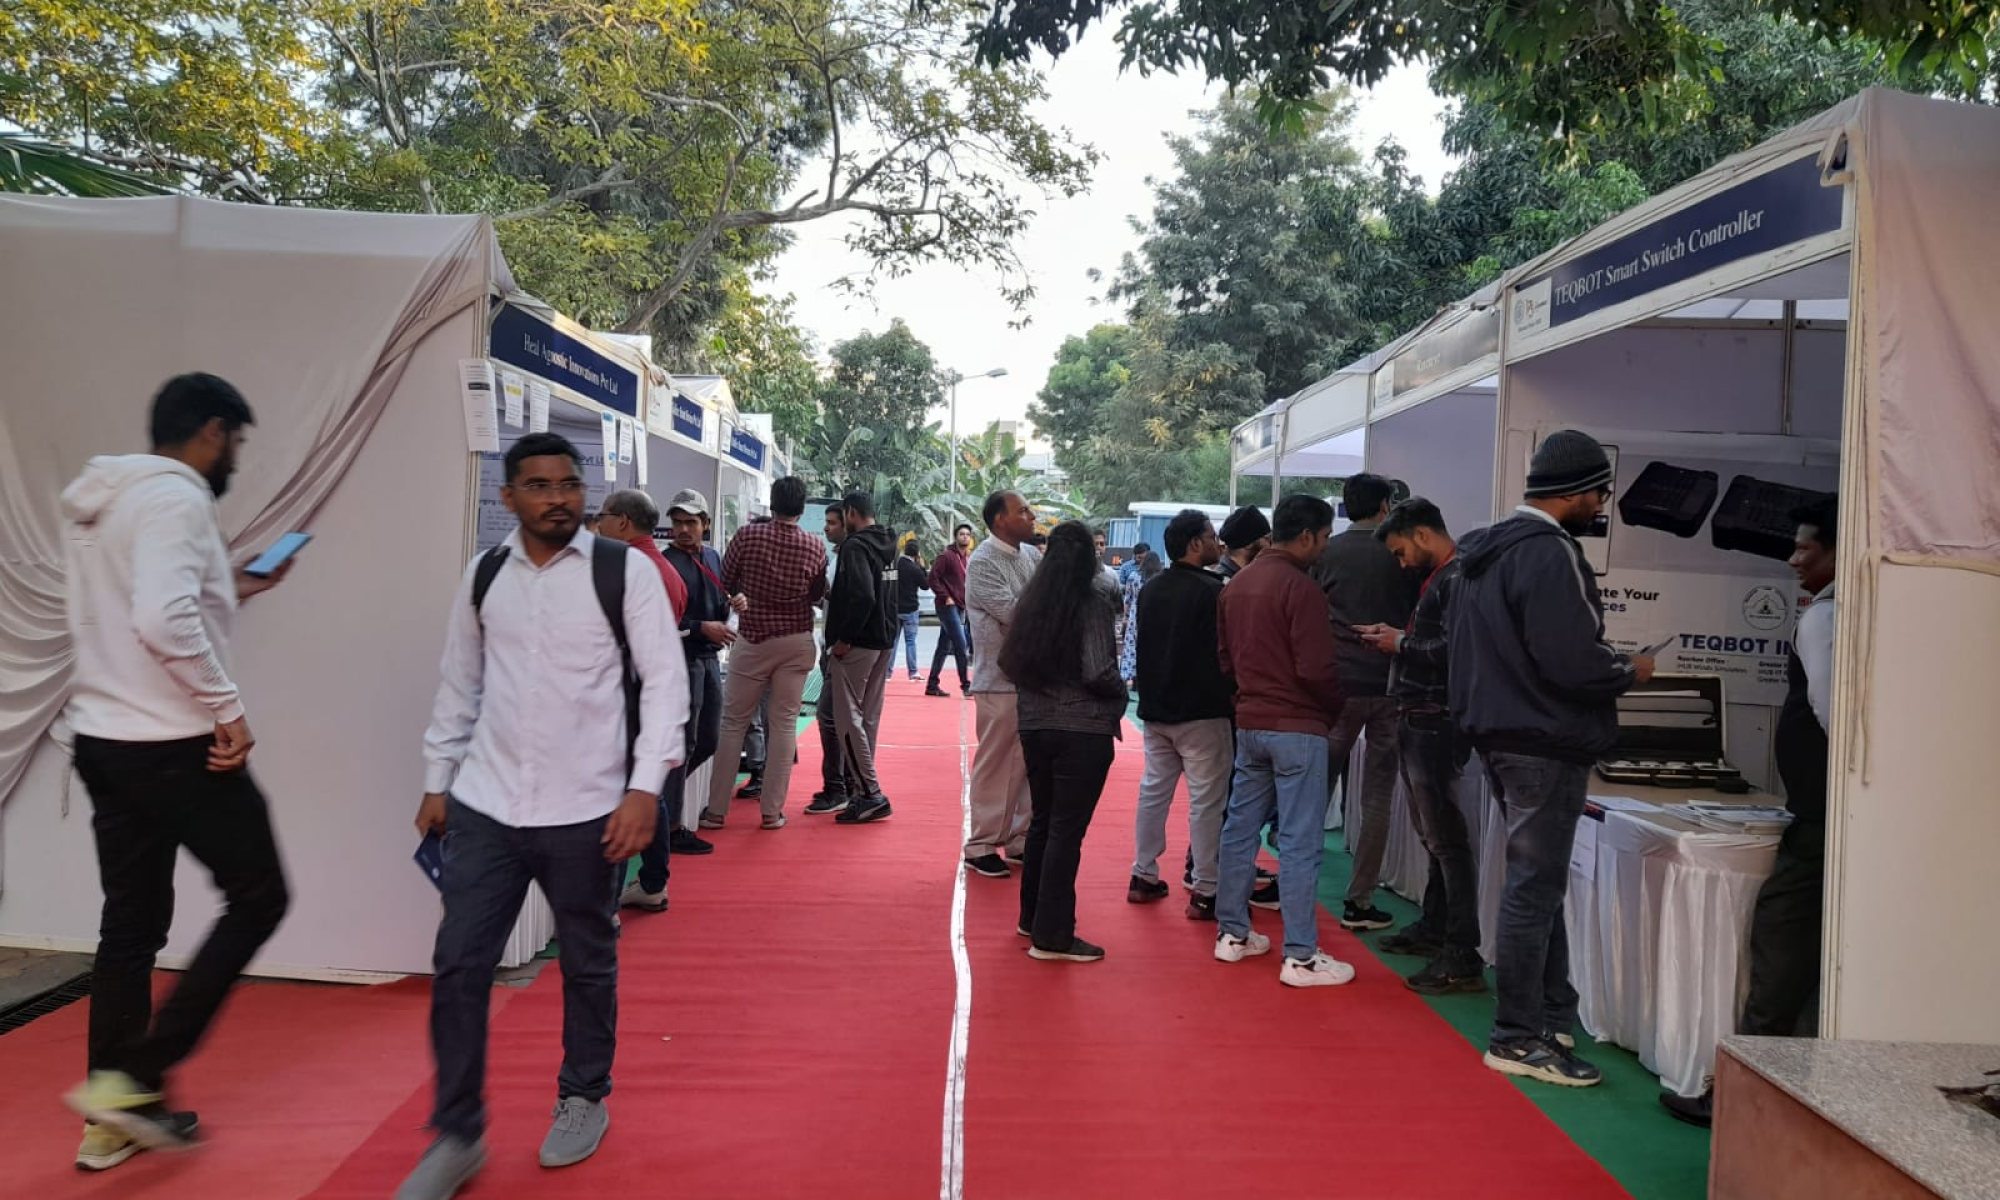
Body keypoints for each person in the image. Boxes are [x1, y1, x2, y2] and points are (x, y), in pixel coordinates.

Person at [401, 431, 687, 1199]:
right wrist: (437, 780)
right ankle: (457, 1133)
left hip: (588, 810)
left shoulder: (622, 572)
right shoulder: (484, 575)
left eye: (569, 484)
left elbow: (665, 683)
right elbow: (459, 684)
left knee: (587, 961)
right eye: (539, 486)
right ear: (509, 498)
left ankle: (584, 1096)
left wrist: (643, 790)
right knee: (460, 964)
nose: (558, 498)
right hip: (486, 806)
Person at [60, 373, 292, 1165]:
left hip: (104, 739)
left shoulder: (107, 501)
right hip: (173, 743)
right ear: (213, 431)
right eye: (237, 442)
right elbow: (161, 618)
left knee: (129, 928)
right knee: (260, 896)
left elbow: (143, 607)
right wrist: (228, 707)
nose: (236, 460)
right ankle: (133, 1078)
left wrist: (235, 586)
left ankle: (110, 1122)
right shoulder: (178, 498)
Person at [1448, 429, 1653, 1088]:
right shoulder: (1549, 552)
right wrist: (1628, 670)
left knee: (1537, 888)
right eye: (1600, 495)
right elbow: (1571, 661)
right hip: (1544, 740)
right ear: (1579, 491)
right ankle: (1516, 1036)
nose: (1601, 507)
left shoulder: (1483, 551)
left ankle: (1548, 1018)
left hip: (1501, 737)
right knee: (1533, 892)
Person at [1660, 495, 1839, 1127]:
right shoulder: (1840, 612)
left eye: (1805, 548)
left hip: (1823, 823)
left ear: (1839, 551)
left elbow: (1833, 716)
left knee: (1781, 951)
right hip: (1827, 818)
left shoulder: (1825, 619)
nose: (1793, 560)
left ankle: (1744, 1104)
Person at [1212, 494, 1354, 988]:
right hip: (1297, 726)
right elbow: (1316, 668)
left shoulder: (1237, 585)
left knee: (1239, 830)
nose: (1326, 546)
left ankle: (1232, 933)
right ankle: (1301, 955)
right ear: (1308, 535)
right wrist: (1332, 709)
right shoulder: (1302, 588)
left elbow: (1225, 660)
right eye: (1326, 537)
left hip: (1251, 721)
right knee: (1299, 841)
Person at [1354, 498, 1483, 994]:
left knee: (1446, 839)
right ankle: (1437, 928)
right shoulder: (1444, 578)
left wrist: (1401, 644)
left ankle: (1461, 953)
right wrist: (1398, 637)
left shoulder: (1457, 579)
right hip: (1422, 715)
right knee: (1436, 836)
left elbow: (1459, 651)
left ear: (1423, 535)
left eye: (1401, 551)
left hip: (1435, 718)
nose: (1402, 563)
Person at [1003, 521, 1128, 962]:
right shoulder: (1092, 604)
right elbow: (1098, 670)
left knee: (1043, 822)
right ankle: (1053, 935)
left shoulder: (1029, 603)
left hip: (1036, 724)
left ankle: (1032, 916)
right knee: (1065, 831)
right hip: (1082, 730)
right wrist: (1122, 691)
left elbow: (1009, 662)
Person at [1313, 473, 1422, 933]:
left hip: (1339, 687)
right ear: (1384, 506)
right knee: (1377, 794)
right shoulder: (1402, 553)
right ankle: (1359, 901)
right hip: (1392, 686)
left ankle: (1294, 884)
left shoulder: (1327, 552)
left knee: (1315, 790)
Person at [697, 477, 826, 830]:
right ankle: (771, 812)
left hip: (753, 639)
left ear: (772, 503)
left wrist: (747, 593)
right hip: (796, 641)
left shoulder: (747, 536)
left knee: (733, 722)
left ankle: (715, 811)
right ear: (802, 508)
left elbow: (726, 581)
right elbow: (817, 595)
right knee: (783, 724)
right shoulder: (814, 546)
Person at [622, 490, 727, 905]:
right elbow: (669, 620)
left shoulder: (712, 558)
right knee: (679, 746)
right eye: (678, 521)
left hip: (708, 659)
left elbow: (716, 603)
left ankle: (663, 809)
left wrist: (730, 606)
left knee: (707, 740)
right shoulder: (662, 563)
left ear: (705, 524)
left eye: (691, 522)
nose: (683, 529)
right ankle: (670, 826)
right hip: (682, 658)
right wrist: (701, 627)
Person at [1129, 510, 1233, 920]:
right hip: (1204, 710)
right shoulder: (1215, 592)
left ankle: (1143, 873)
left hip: (1157, 709)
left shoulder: (1151, 589)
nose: (1217, 542)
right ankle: (1206, 888)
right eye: (1211, 535)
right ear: (1195, 543)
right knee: (1206, 802)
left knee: (1154, 792)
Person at [963, 491, 1042, 878]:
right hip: (998, 679)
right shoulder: (982, 562)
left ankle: (1019, 838)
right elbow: (1016, 614)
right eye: (1022, 511)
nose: (1031, 516)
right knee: (996, 763)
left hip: (1032, 678)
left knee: (1027, 764)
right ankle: (981, 843)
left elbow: (1041, 606)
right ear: (999, 520)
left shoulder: (1031, 556)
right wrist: (1045, 613)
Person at [823, 491, 898, 825]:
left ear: (851, 513)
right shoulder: (888, 543)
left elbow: (864, 595)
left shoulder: (855, 547)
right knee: (867, 718)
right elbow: (884, 595)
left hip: (859, 643)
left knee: (848, 719)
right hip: (884, 639)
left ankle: (869, 792)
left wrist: (844, 638)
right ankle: (863, 789)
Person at [805, 505, 851, 814]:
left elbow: (856, 600)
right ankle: (844, 784)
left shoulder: (851, 557)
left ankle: (838, 787)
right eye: (826, 522)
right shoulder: (838, 557)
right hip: (833, 645)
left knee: (830, 717)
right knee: (835, 718)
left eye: (832, 523)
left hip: (841, 649)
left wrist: (843, 641)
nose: (826, 528)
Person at [925, 523, 974, 696]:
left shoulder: (967, 559)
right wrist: (945, 596)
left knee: (943, 647)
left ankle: (932, 685)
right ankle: (966, 685)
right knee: (961, 644)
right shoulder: (946, 556)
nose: (965, 536)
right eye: (962, 534)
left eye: (967, 534)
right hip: (947, 606)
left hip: (960, 606)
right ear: (956, 536)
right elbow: (932, 578)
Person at [1118, 551, 1163, 685]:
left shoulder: (1133, 576)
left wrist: (1125, 617)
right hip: (1155, 614)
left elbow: (1127, 599)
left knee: (1132, 646)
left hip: (1135, 613)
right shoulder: (1160, 578)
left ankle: (1130, 676)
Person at [895, 540, 927, 681]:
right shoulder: (915, 569)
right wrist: (922, 568)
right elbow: (925, 585)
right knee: (910, 641)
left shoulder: (896, 565)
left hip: (895, 608)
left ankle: (887, 672)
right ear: (917, 554)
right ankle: (913, 672)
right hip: (911, 609)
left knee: (893, 641)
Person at [1215, 506, 1271, 581]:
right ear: (1248, 544)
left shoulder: (1240, 577)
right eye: (1267, 539)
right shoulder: (1226, 582)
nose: (1270, 546)